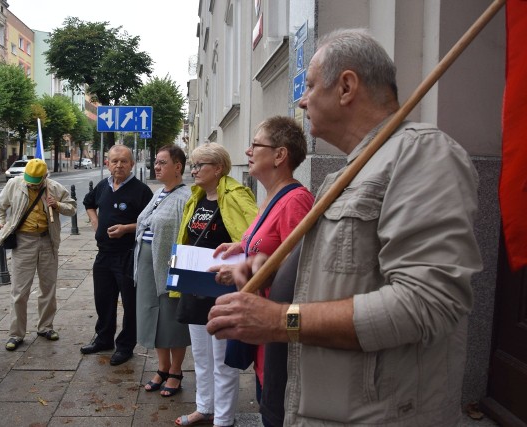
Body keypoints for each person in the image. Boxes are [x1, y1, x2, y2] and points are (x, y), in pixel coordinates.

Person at [207, 28, 483, 426]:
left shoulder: (423, 155)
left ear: (347, 86)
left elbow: (426, 302)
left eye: (311, 85)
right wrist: (271, 268)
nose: (302, 100)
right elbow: (350, 269)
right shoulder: (353, 168)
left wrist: (281, 319)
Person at [210, 116, 314, 427]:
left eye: (256, 144)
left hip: (281, 336)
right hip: (264, 337)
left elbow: (302, 272)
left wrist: (251, 274)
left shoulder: (296, 201)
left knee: (276, 414)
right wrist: (239, 248)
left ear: (280, 155)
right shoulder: (271, 195)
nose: (248, 151)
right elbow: (264, 243)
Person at [174, 143, 257, 427]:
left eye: (200, 166)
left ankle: (223, 419)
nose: (193, 170)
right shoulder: (196, 196)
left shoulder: (236, 195)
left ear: (218, 168)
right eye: (193, 165)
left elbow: (255, 237)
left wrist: (239, 248)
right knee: (200, 355)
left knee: (222, 359)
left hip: (222, 288)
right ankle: (204, 407)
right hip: (195, 285)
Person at [0, 158, 77, 351]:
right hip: (23, 241)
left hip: (47, 240)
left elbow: (72, 208)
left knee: (48, 287)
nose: (31, 184)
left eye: (35, 181)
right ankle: (16, 334)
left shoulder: (54, 187)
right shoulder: (15, 184)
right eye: (29, 180)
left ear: (44, 177)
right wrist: (1, 224)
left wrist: (57, 205)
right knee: (20, 291)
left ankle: (45, 327)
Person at [81, 145, 153, 366]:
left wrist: (126, 228)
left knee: (130, 304)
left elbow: (150, 222)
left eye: (124, 161)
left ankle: (125, 346)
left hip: (128, 255)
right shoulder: (103, 186)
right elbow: (88, 202)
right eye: (114, 161)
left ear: (132, 164)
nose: (119, 165)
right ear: (107, 164)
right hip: (103, 255)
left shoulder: (142, 191)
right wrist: (96, 222)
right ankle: (104, 339)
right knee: (103, 300)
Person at [135, 145, 192, 397]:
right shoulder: (158, 193)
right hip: (147, 265)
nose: (156, 167)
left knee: (171, 319)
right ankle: (162, 367)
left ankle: (176, 371)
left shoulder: (185, 197)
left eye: (162, 162)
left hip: (169, 266)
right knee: (152, 315)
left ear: (177, 167)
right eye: (155, 162)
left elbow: (186, 236)